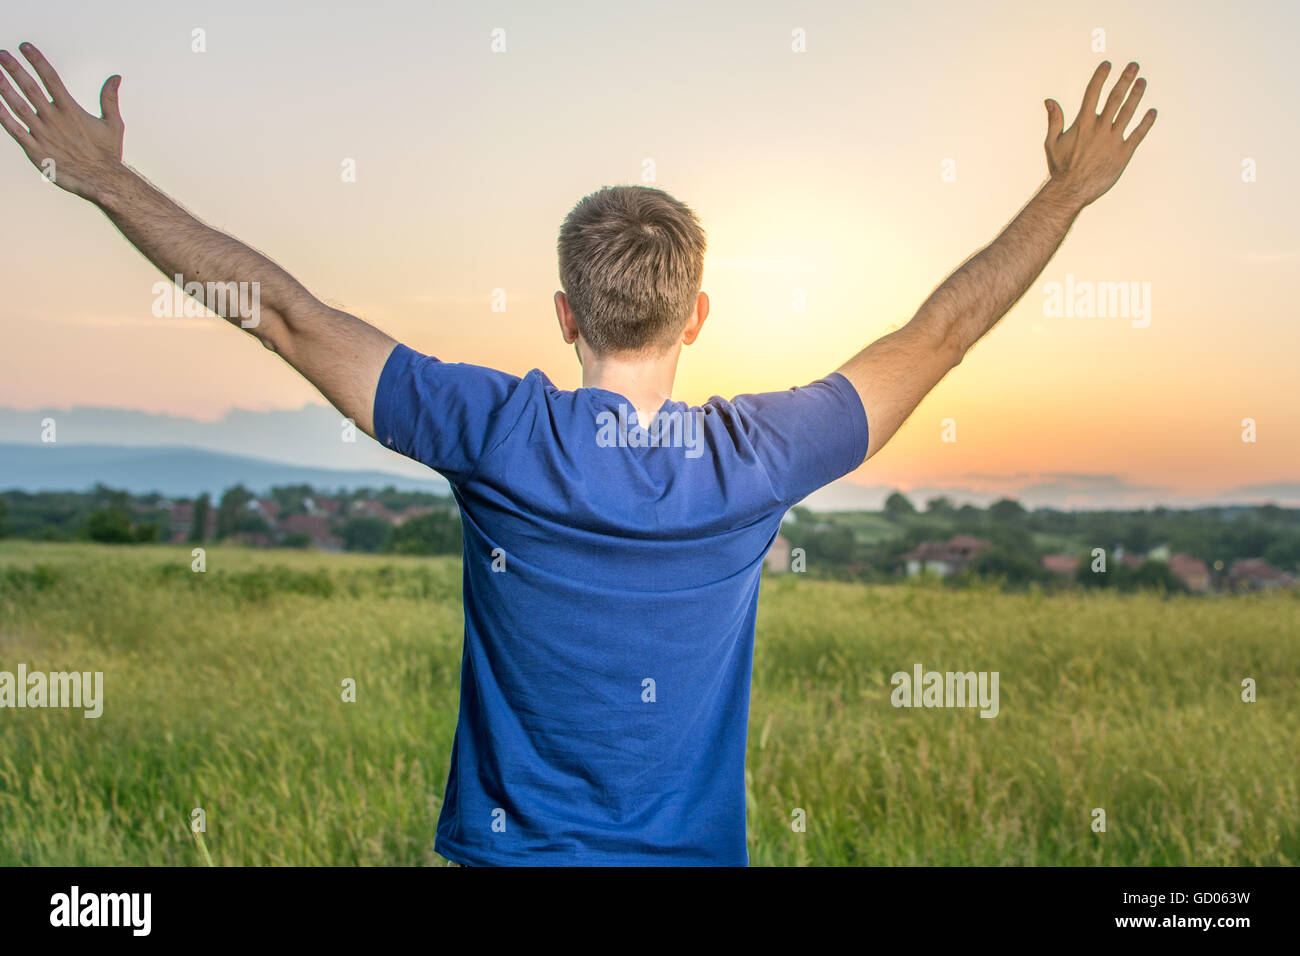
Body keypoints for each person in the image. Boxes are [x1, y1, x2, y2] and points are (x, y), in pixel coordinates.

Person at [0, 45, 1155, 865]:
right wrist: (1066, 194)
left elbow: (286, 315)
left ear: (565, 313)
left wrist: (101, 177)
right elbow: (941, 333)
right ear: (695, 316)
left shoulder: (498, 432)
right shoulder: (756, 456)